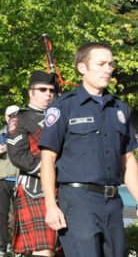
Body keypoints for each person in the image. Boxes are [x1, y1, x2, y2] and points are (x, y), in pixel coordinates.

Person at [39, 42, 138, 257]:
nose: (107, 69)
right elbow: (47, 158)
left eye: (110, 64)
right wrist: (50, 205)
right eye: (101, 63)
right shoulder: (63, 106)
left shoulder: (120, 109)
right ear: (82, 68)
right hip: (78, 201)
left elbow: (128, 159)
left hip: (112, 202)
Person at [6, 70, 57, 256]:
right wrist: (52, 171)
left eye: (51, 90)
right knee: (44, 249)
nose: (48, 94)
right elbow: (18, 155)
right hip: (35, 189)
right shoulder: (20, 119)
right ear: (31, 92)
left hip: (65, 189)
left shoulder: (61, 117)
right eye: (42, 89)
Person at [0, 105, 20, 255]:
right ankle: (1, 250)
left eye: (16, 115)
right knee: (1, 216)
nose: (13, 118)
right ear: (6, 117)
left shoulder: (24, 134)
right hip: (1, 180)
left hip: (20, 180)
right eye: (10, 115)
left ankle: (18, 248)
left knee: (18, 217)